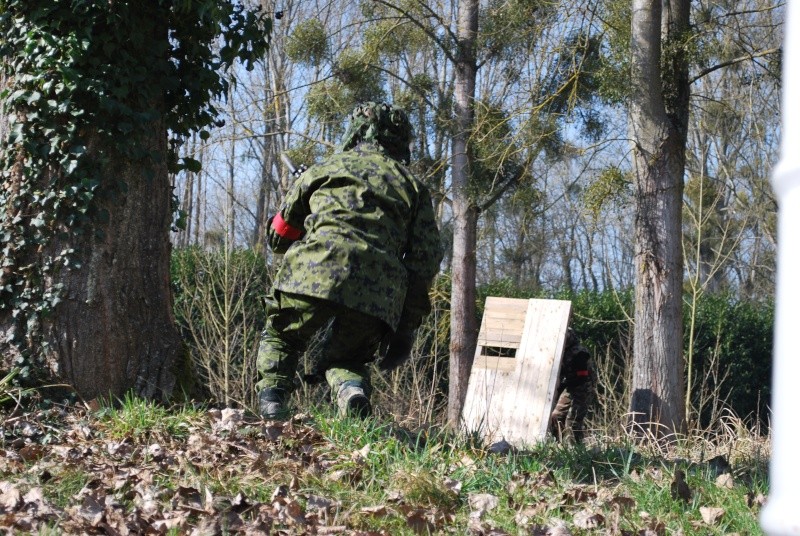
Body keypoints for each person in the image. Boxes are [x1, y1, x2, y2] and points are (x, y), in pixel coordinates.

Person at [256, 102, 442, 419]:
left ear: (355, 132)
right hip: (378, 292)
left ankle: (273, 403)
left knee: (282, 337)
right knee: (350, 357)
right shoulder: (413, 187)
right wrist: (406, 326)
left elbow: (278, 238)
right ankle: (351, 392)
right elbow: (425, 259)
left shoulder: (321, 171)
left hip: (312, 272)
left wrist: (296, 198)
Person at [549, 328, 593, 443]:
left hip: (582, 389)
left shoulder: (580, 353)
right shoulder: (562, 352)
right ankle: (558, 443)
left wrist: (563, 384)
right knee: (556, 416)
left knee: (573, 420)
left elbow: (581, 377)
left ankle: (576, 448)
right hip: (570, 388)